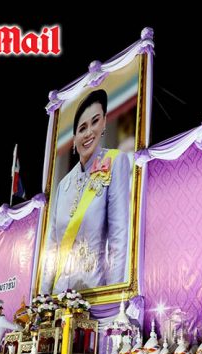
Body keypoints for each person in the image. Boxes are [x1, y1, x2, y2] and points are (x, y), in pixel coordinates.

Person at [41, 89, 131, 294]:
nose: (89, 132)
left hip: (94, 292)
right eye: (82, 128)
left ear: (104, 123)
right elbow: (52, 248)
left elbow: (119, 237)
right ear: (74, 138)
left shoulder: (115, 161)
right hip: (59, 295)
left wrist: (113, 297)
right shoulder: (63, 185)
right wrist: (43, 299)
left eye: (95, 122)